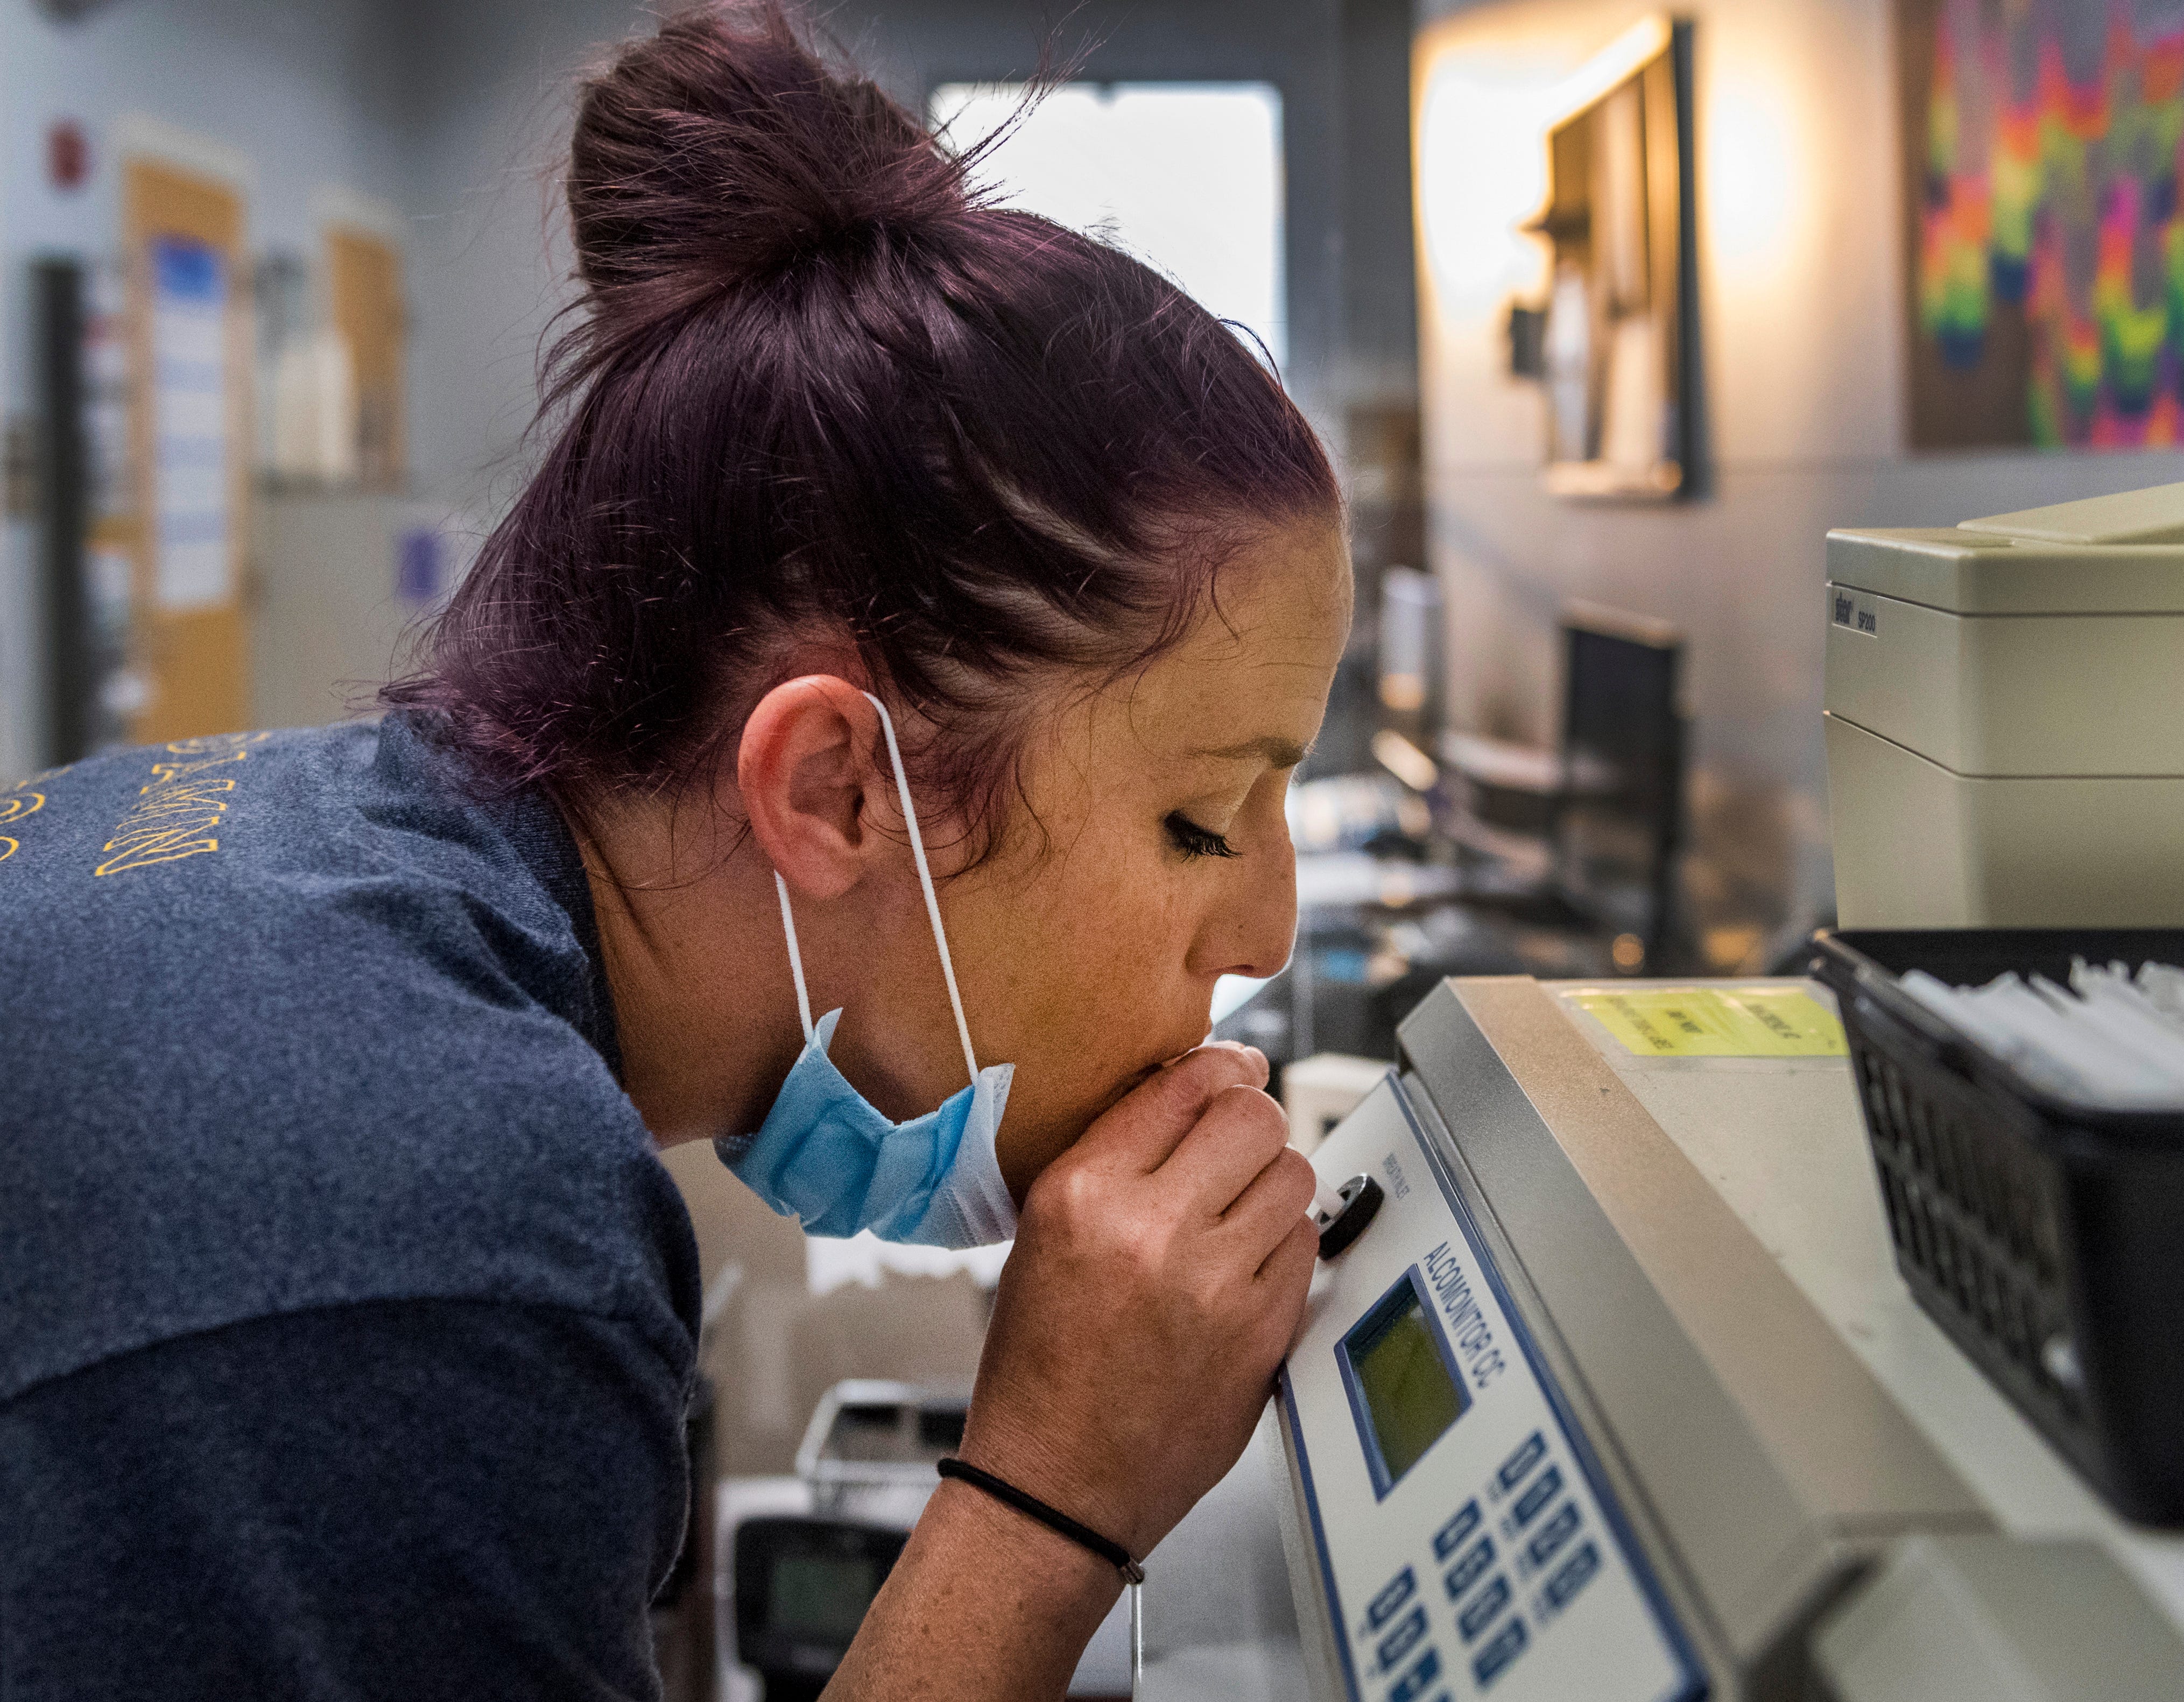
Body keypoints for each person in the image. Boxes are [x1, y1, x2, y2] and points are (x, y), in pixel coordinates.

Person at [0, 5, 1349, 1697]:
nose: (1269, 925)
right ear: (838, 789)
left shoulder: (321, 863)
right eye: (1199, 817)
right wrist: (1048, 1497)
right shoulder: (434, 1229)